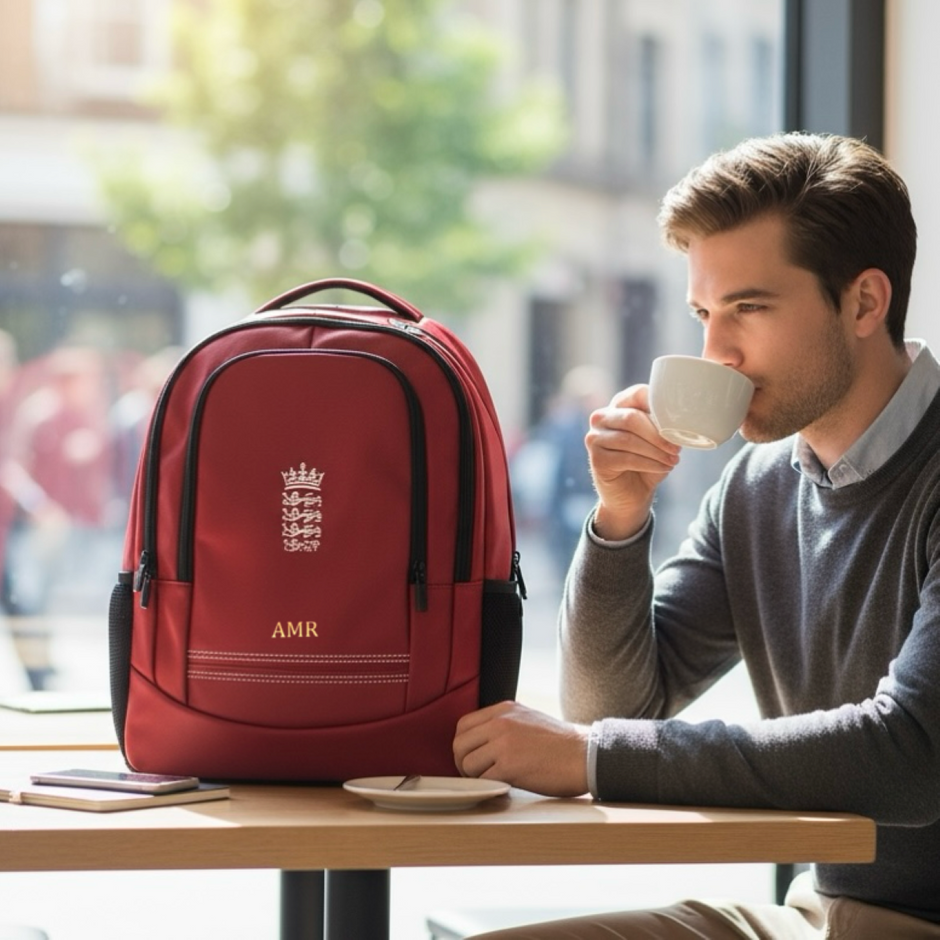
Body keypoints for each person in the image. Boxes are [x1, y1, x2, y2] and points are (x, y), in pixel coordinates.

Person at [452, 132, 940, 938]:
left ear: (864, 303)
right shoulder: (757, 486)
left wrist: (588, 758)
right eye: (705, 314)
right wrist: (619, 518)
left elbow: (913, 755)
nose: (716, 352)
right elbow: (615, 705)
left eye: (748, 308)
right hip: (816, 916)